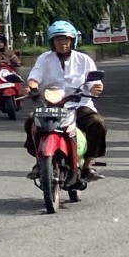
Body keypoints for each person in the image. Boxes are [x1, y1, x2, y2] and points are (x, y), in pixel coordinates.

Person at [23, 20, 106, 180]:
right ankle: (40, 161)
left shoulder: (84, 59)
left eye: (66, 39)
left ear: (72, 40)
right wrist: (32, 87)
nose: (63, 43)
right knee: (31, 121)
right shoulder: (44, 59)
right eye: (58, 39)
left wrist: (96, 87)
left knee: (97, 123)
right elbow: (34, 77)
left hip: (79, 104)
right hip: (52, 105)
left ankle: (88, 164)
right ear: (52, 42)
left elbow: (93, 83)